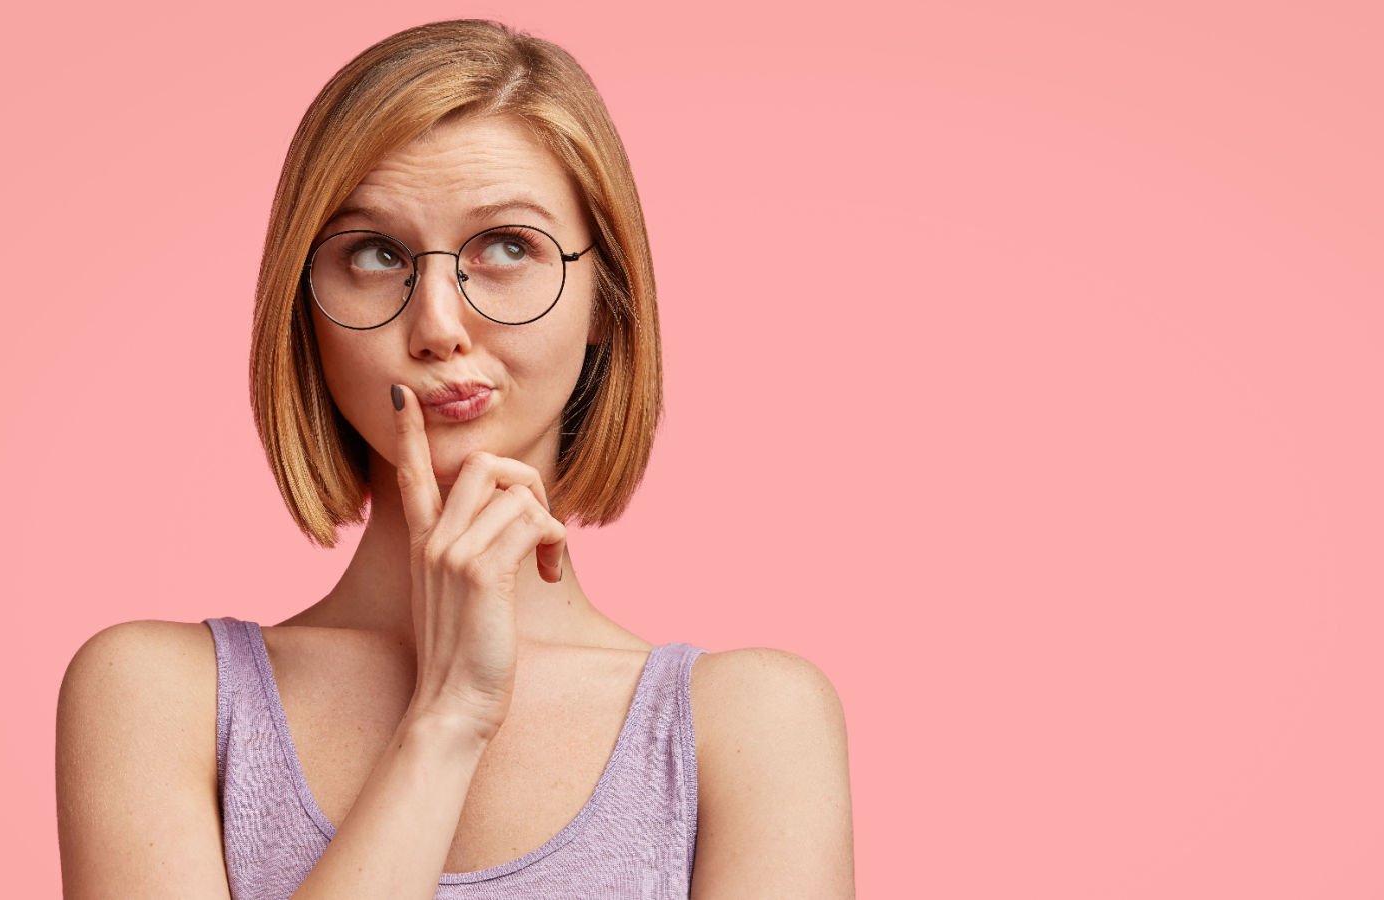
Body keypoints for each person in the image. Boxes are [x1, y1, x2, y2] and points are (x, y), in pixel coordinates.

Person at [56, 18, 854, 899]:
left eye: (509, 247)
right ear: (302, 315)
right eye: (376, 255)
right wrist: (445, 721)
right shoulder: (159, 700)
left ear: (606, 303)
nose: (437, 324)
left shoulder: (747, 729)